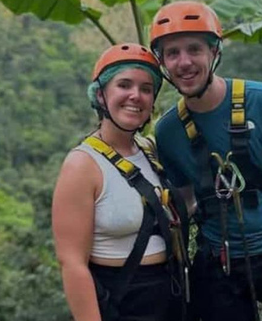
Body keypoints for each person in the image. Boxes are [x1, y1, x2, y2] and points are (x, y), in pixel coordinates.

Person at [149, 2, 262, 321]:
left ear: (214, 52)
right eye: (172, 53)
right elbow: (188, 201)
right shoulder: (168, 132)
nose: (184, 62)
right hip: (221, 264)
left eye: (194, 49)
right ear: (162, 62)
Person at [52, 43, 190, 321]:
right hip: (120, 302)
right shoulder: (83, 165)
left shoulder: (151, 153)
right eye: (124, 85)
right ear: (101, 95)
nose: (135, 96)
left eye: (146, 89)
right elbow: (72, 263)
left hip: (169, 300)